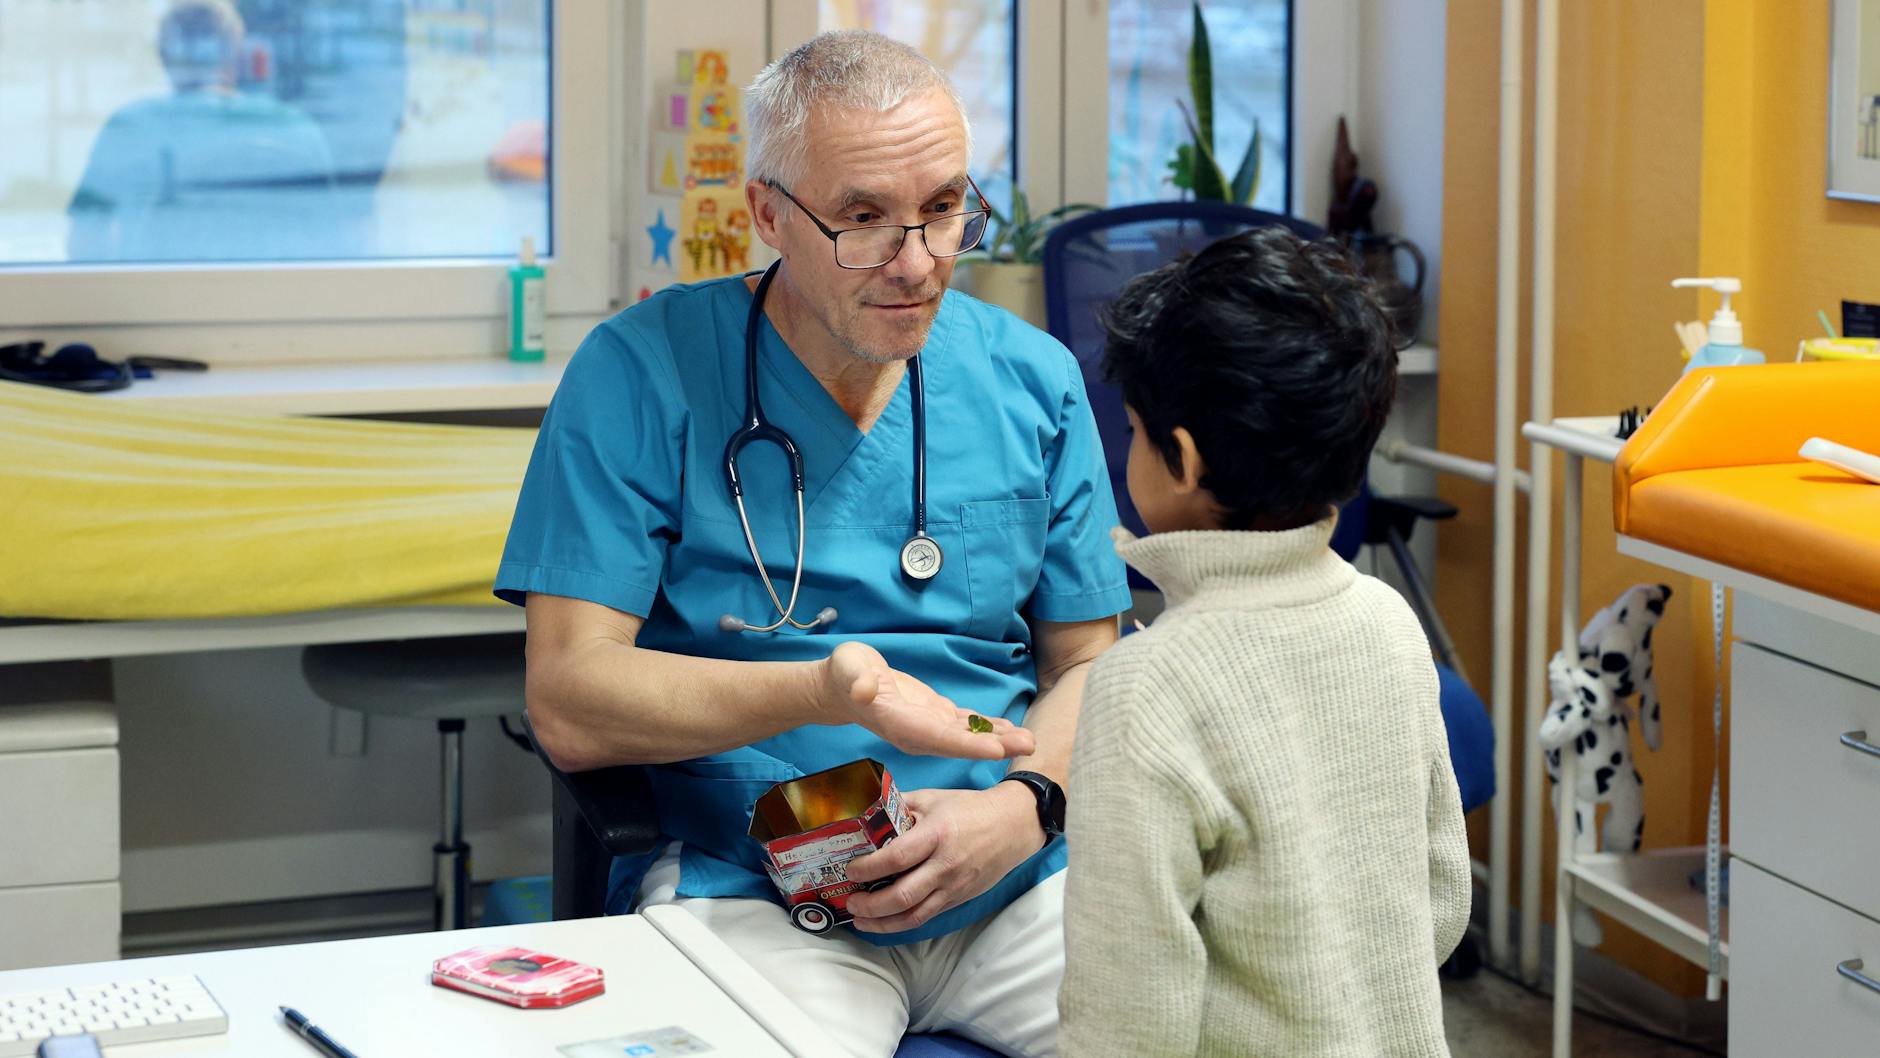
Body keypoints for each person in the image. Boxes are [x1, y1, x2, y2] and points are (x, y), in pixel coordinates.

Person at [498, 30, 1131, 1058]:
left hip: (1010, 873)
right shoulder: (639, 370)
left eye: (943, 207)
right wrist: (822, 690)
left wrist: (1027, 806)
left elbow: (1089, 661)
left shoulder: (1031, 377)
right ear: (764, 214)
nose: (918, 261)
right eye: (864, 220)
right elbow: (568, 700)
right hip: (757, 883)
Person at [1057, 227, 1471, 1057]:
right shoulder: (1389, 622)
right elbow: (1442, 899)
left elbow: (1127, 1010)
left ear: (1181, 457)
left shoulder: (1147, 686)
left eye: (1135, 431)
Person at [67, 0, 345, 263]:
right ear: (237, 55)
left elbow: (83, 244)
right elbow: (332, 242)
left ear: (162, 56)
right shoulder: (293, 127)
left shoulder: (129, 129)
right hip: (270, 305)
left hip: (158, 305)